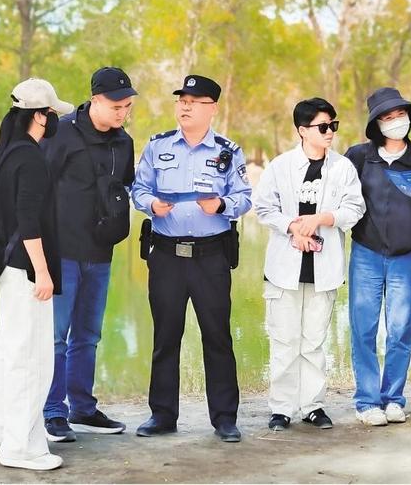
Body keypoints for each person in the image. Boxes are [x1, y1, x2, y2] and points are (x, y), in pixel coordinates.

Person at [131, 75, 252, 443]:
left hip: (210, 257)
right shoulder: (157, 146)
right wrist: (151, 204)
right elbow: (138, 189)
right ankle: (162, 415)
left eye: (194, 101)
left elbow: (245, 197)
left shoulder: (228, 151)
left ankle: (225, 419)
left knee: (217, 337)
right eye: (181, 100)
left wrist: (222, 205)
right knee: (165, 337)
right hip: (166, 256)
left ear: (211, 108)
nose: (185, 106)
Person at [253, 98, 365, 432]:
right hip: (284, 269)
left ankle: (313, 406)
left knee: (314, 342)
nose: (330, 132)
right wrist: (292, 227)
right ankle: (281, 409)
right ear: (302, 130)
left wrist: (322, 218)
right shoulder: (280, 166)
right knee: (284, 342)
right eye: (323, 127)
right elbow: (264, 208)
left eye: (333, 125)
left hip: (324, 268)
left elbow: (355, 209)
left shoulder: (342, 168)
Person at [40, 67, 137, 442]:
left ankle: (82, 407)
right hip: (61, 252)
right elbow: (38, 187)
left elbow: (124, 187)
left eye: (127, 106)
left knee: (88, 335)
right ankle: (53, 411)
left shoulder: (124, 142)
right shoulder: (61, 132)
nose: (122, 112)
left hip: (101, 254)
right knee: (56, 337)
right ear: (95, 99)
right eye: (116, 105)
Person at [0, 78, 74, 471]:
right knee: (32, 358)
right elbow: (27, 220)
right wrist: (43, 271)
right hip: (25, 271)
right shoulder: (30, 158)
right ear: (38, 116)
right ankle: (21, 447)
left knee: (10, 350)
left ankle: (2, 430)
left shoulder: (7, 154)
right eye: (52, 114)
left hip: (7, 269)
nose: (55, 121)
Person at [344, 87, 411, 426]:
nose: (396, 121)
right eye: (388, 117)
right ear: (376, 123)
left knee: (400, 330)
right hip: (366, 254)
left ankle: (393, 398)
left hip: (407, 257)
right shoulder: (359, 157)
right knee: (363, 329)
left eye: (400, 115)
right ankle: (367, 401)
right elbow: (343, 201)